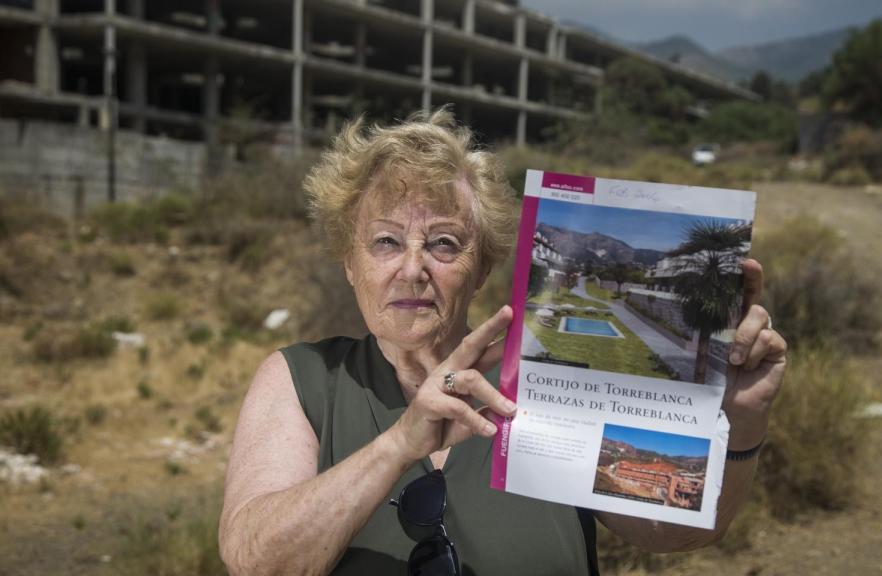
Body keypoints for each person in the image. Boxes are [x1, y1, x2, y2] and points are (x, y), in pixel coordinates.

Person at [218, 109, 787, 575]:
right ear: (349, 263)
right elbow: (255, 559)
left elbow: (670, 530)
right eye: (386, 242)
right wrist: (397, 445)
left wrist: (740, 421)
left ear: (483, 266)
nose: (412, 269)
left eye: (443, 244)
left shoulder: (550, 371)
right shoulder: (303, 379)